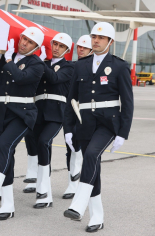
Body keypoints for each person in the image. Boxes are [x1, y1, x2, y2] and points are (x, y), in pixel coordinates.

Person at [63, 22, 134, 233]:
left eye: (101, 38)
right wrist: (68, 128)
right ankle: (97, 217)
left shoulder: (119, 66)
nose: (95, 40)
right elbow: (71, 99)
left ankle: (78, 204)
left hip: (107, 123)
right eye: (94, 36)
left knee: (92, 155)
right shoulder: (80, 65)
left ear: (110, 42)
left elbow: (127, 102)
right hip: (84, 123)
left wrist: (123, 133)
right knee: (94, 169)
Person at [0, 27, 45, 221]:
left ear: (36, 47)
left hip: (23, 114)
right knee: (5, 154)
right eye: (23, 38)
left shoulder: (37, 64)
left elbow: (21, 78)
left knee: (4, 145)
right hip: (2, 113)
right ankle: (8, 205)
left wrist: (7, 60)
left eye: (29, 42)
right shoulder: (9, 57)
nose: (24, 43)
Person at [26, 33, 75, 209]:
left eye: (61, 46)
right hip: (38, 111)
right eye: (55, 44)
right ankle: (42, 189)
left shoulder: (69, 67)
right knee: (39, 146)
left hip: (56, 113)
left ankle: (43, 191)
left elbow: (55, 79)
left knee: (44, 141)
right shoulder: (42, 63)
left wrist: (38, 62)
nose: (56, 48)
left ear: (67, 50)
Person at [62, 34, 92, 199]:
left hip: (89, 112)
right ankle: (72, 184)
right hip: (72, 110)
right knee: (71, 147)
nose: (80, 49)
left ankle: (84, 183)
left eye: (84, 47)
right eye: (79, 46)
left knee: (88, 150)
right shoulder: (71, 65)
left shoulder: (95, 66)